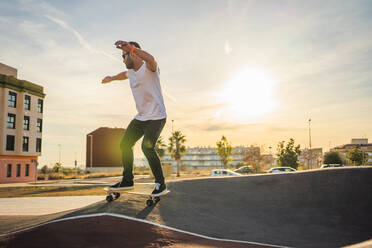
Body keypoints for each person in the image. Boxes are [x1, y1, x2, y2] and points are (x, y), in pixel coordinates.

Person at [101, 40, 167, 196]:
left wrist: (132, 48)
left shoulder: (149, 68)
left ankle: (160, 183)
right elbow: (123, 75)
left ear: (132, 53)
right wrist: (111, 78)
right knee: (125, 144)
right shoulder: (131, 73)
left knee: (147, 147)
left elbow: (151, 59)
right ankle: (127, 180)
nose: (123, 60)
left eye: (123, 56)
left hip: (157, 117)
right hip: (141, 118)